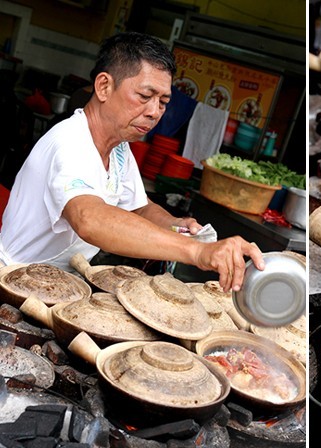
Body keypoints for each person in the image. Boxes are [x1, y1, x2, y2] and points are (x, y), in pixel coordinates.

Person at [0, 31, 264, 293]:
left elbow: (139, 208)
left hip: (60, 285)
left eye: (163, 101)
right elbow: (89, 218)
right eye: (144, 96)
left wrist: (176, 225)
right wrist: (197, 251)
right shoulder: (69, 141)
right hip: (13, 283)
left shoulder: (119, 149)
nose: (154, 112)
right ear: (104, 86)